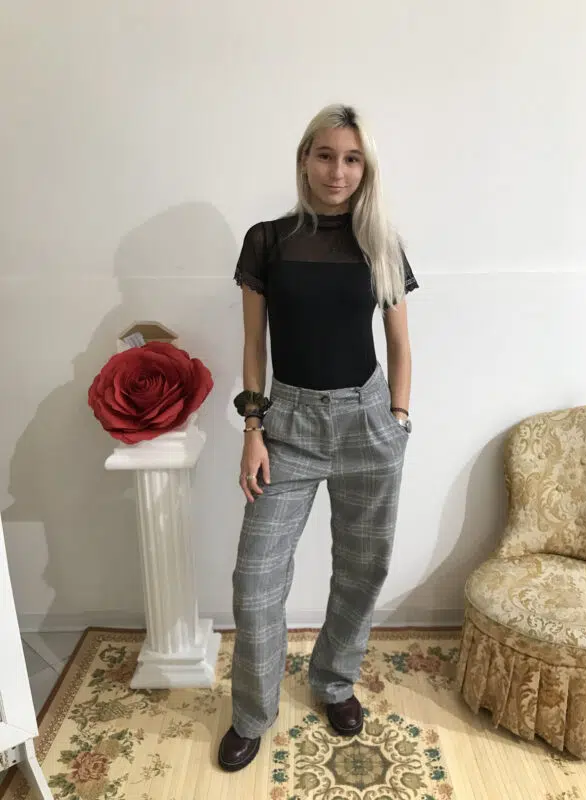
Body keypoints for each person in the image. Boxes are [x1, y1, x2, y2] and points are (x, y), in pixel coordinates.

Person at [219, 103, 419, 772]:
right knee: (256, 579)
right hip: (289, 426)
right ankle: (252, 713)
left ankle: (334, 682)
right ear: (305, 160)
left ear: (366, 168)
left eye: (352, 158)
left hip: (368, 423)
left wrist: (398, 419)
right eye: (326, 155)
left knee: (362, 568)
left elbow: (400, 343)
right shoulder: (268, 241)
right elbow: (253, 345)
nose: (338, 171)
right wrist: (253, 428)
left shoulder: (380, 242)